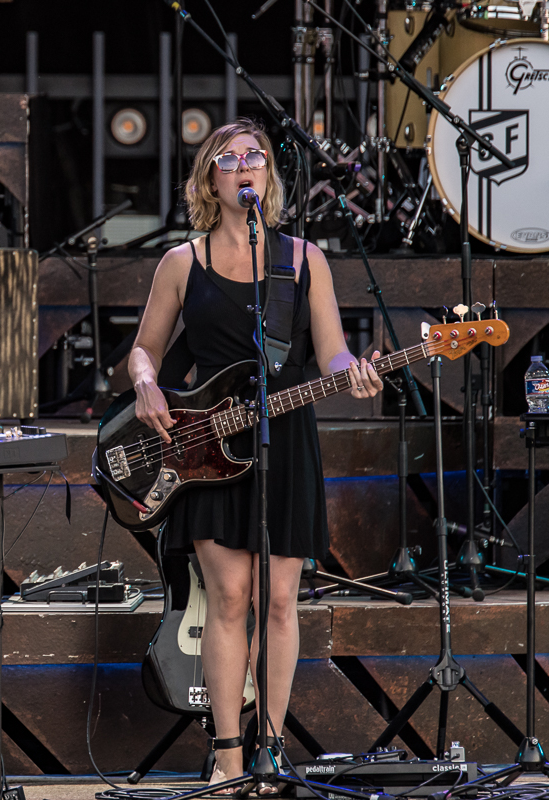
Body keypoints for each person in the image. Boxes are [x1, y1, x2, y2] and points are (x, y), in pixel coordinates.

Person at [128, 119, 382, 793]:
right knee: (230, 595)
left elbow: (329, 350)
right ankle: (230, 755)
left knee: (279, 598)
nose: (245, 166)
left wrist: (351, 368)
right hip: (209, 445)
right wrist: (146, 384)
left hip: (285, 434)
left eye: (256, 157)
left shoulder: (303, 260)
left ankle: (271, 748)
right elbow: (144, 348)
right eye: (230, 158)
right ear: (211, 176)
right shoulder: (183, 261)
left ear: (270, 174)